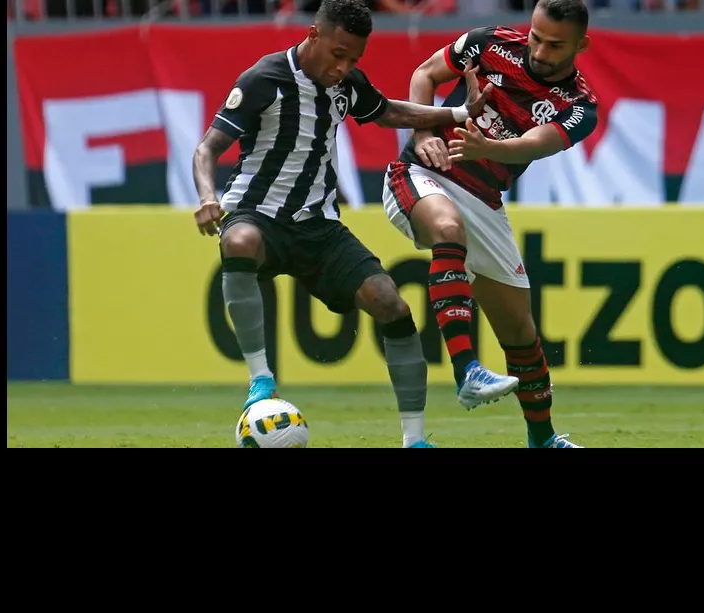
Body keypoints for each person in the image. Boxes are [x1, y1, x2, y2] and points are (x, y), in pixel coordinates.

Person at [192, 0, 509, 448]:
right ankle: (261, 381)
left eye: (353, 59)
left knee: (392, 306)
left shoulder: (346, 85)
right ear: (313, 35)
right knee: (240, 240)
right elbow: (207, 149)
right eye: (337, 54)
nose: (343, 67)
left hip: (319, 226)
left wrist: (458, 114)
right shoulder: (264, 78)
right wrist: (209, 197)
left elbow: (393, 113)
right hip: (257, 214)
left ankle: (414, 440)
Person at [380, 0, 599, 448]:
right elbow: (425, 74)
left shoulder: (579, 105)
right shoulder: (489, 43)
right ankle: (467, 371)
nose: (540, 50)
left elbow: (534, 144)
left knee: (520, 332)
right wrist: (423, 134)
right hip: (421, 176)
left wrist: (489, 150)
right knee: (447, 229)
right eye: (536, 36)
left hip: (484, 200)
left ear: (582, 45)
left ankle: (542, 438)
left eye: (556, 45)